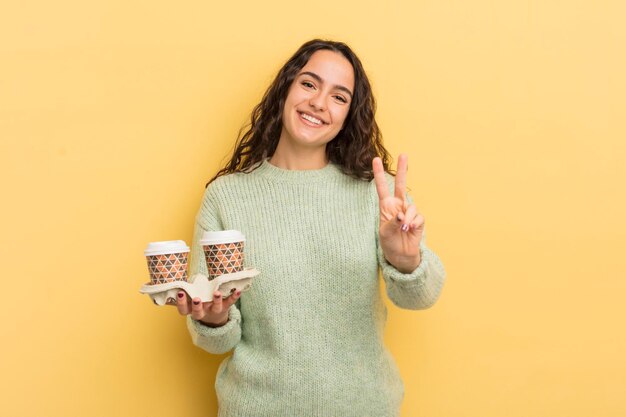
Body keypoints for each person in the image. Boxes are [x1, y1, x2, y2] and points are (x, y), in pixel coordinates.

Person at [175, 39, 446, 417]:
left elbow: (420, 297)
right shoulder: (227, 197)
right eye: (309, 84)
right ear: (286, 89)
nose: (319, 102)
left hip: (363, 407)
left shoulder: (377, 196)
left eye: (339, 97)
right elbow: (216, 340)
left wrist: (406, 260)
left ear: (349, 114)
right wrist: (214, 317)